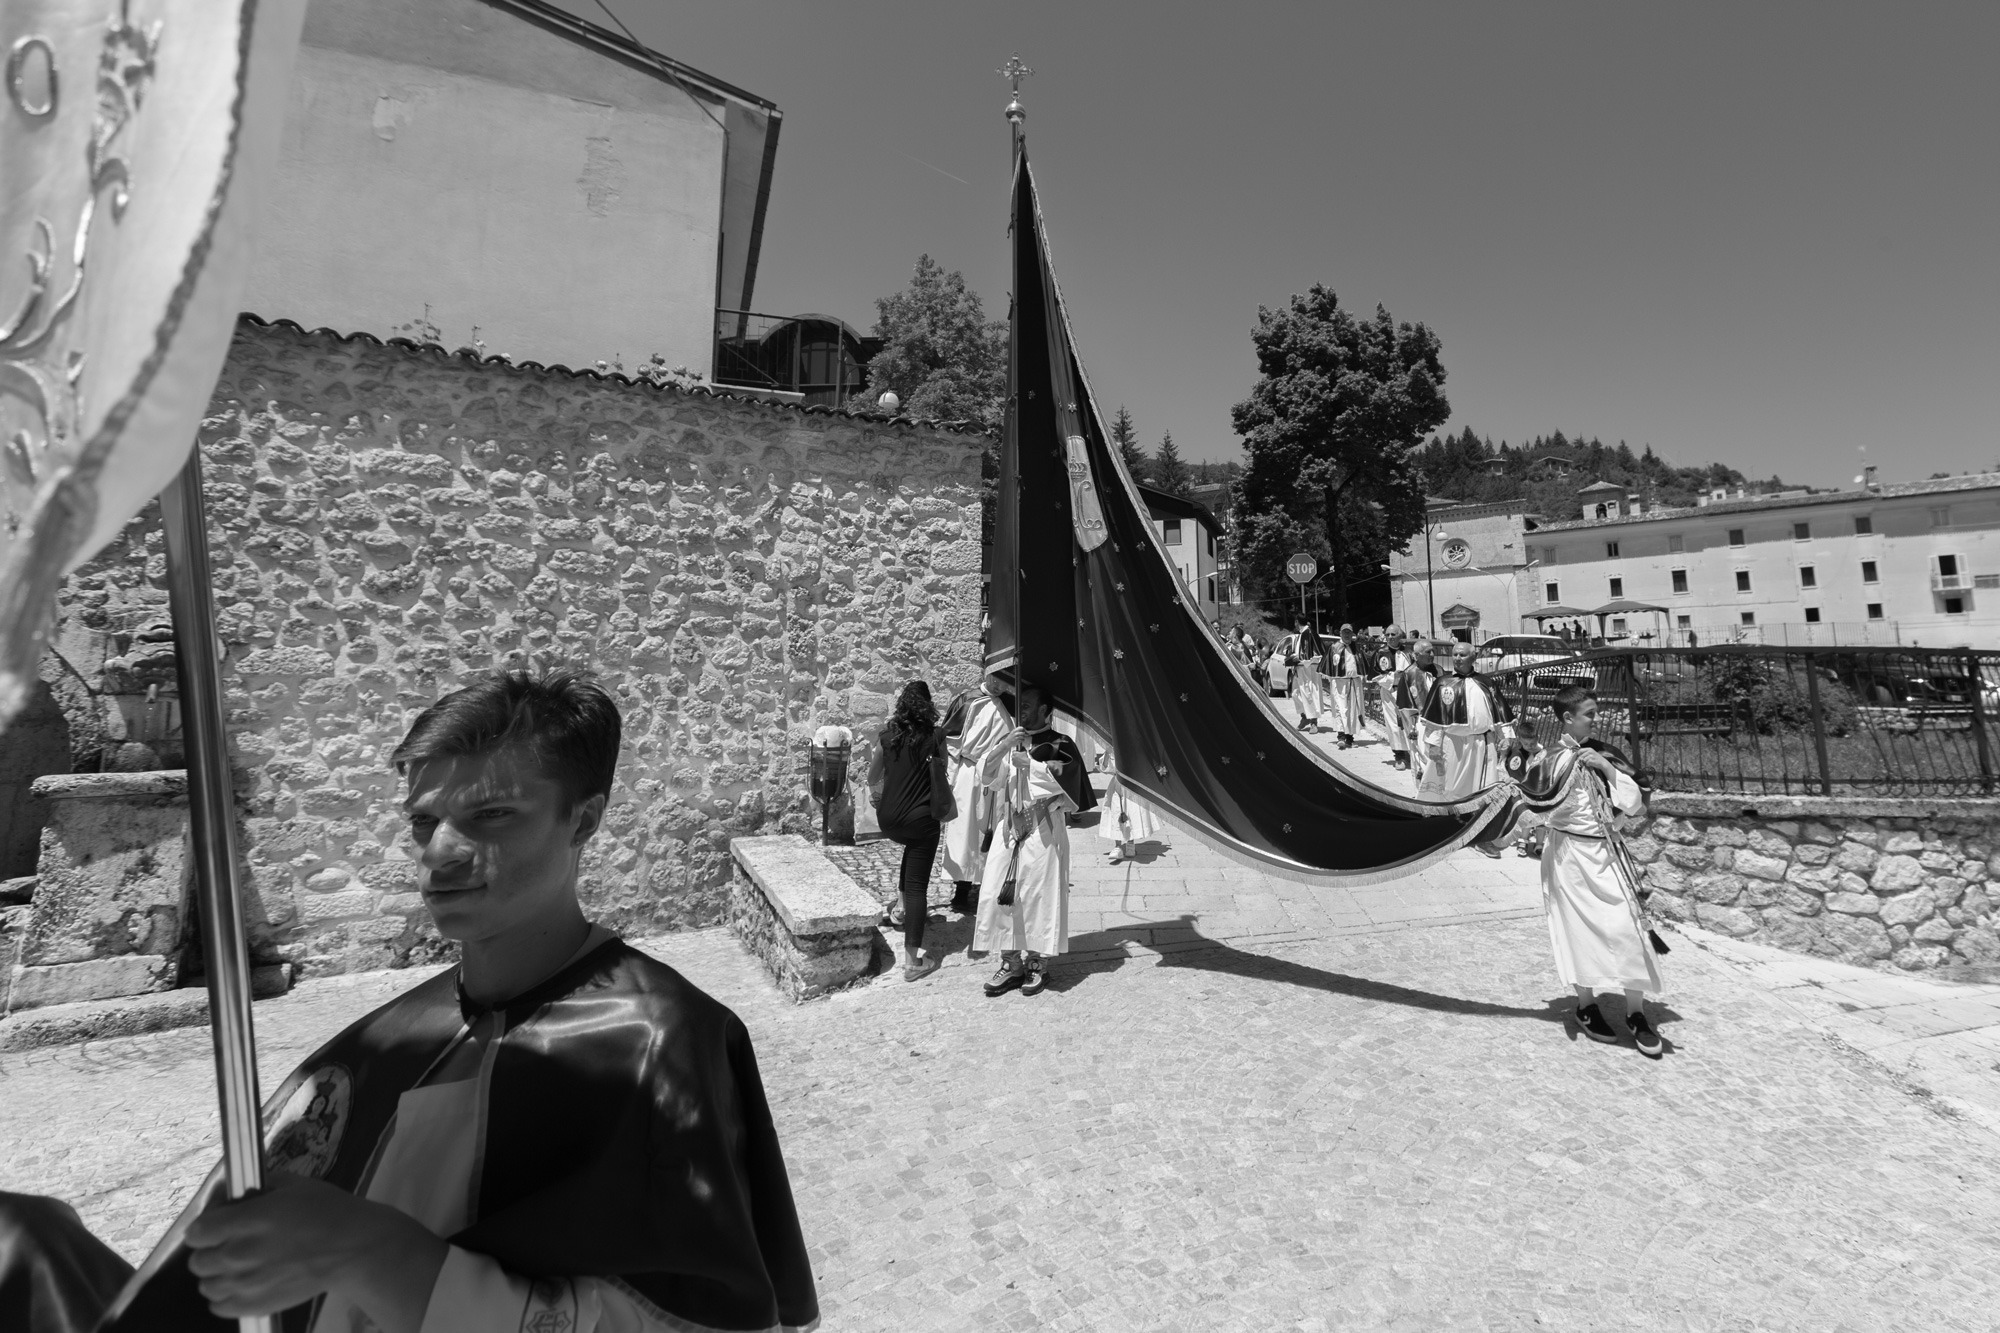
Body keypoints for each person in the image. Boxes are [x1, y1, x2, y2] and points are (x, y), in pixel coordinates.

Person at [0, 669, 819, 1333]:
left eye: (492, 815)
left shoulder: (662, 1043)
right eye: (424, 822)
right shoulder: (390, 1036)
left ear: (585, 820)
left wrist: (375, 1253)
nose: (443, 854)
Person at [1518, 683, 1666, 1057]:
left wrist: (1607, 770)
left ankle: (1636, 1013)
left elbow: (1633, 804)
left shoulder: (1604, 753)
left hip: (1607, 854)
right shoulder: (1549, 759)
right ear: (1568, 718)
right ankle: (1586, 1004)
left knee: (1627, 927)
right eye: (1590, 715)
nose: (1596, 721)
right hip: (1568, 855)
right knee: (1576, 932)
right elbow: (1533, 807)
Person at [974, 682, 1095, 996]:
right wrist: (1003, 747)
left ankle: (1037, 964)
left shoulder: (1060, 743)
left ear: (1045, 710)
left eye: (1027, 705)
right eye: (1020, 705)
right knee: (997, 895)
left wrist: (1034, 766)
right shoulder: (1011, 740)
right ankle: (1010, 963)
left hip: (1043, 830)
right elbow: (987, 776)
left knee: (1038, 898)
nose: (1021, 711)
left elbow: (1074, 785)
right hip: (1009, 829)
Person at [867, 680, 948, 981]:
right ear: (928, 706)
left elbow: (872, 775)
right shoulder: (936, 735)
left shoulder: (887, 736)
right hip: (921, 820)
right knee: (918, 886)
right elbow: (943, 770)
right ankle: (913, 962)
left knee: (911, 853)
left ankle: (901, 912)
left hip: (889, 820)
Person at [938, 674, 1016, 915]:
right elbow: (949, 744)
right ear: (986, 673)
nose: (996, 684)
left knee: (994, 830)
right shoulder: (966, 701)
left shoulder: (1011, 704)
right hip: (969, 774)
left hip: (999, 775)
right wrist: (948, 780)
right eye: (994, 678)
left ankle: (990, 886)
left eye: (1002, 681)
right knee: (965, 834)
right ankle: (961, 890)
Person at [1417, 639, 1517, 806]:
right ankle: (1451, 814)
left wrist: (1505, 737)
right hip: (1452, 743)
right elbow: (1434, 719)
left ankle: (1478, 816)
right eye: (1455, 654)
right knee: (1451, 787)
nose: (1457, 658)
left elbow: (1500, 713)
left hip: (1482, 744)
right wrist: (1434, 745)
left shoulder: (1486, 683)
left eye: (1462, 655)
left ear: (1474, 656)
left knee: (1483, 787)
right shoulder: (1442, 683)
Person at [1395, 639, 1440, 778]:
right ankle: (1421, 790)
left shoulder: (1439, 670)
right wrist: (1412, 725)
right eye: (1428, 652)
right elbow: (1403, 704)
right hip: (1419, 721)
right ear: (1416, 655)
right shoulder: (1408, 674)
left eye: (1433, 651)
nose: (1432, 654)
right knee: (1421, 755)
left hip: (1439, 721)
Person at [1372, 628, 1415, 769]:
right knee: (1394, 724)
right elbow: (1376, 675)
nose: (1390, 637)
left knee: (1409, 723)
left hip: (1407, 693)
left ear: (1400, 636)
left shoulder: (1408, 653)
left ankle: (1412, 753)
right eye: (1388, 634)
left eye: (1393, 634)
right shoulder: (1380, 653)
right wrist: (1393, 677)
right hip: (1390, 691)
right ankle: (1399, 756)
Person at [1323, 623, 1368, 750]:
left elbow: (1362, 664)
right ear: (1340, 633)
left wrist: (1362, 676)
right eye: (1345, 632)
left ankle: (1350, 738)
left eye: (1349, 632)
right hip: (1340, 683)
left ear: (1352, 634)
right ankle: (1341, 736)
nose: (1347, 634)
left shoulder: (1356, 648)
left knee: (1353, 710)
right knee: (1341, 708)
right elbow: (1327, 665)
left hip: (1354, 683)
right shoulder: (1334, 647)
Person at [1289, 619, 1324, 731]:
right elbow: (1300, 652)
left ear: (1297, 622)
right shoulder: (1300, 635)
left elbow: (1314, 654)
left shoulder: (1309, 633)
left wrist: (1302, 660)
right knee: (1295, 693)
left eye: (1295, 622)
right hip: (1300, 668)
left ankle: (1313, 722)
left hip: (1309, 669)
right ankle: (1305, 716)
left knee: (1310, 694)